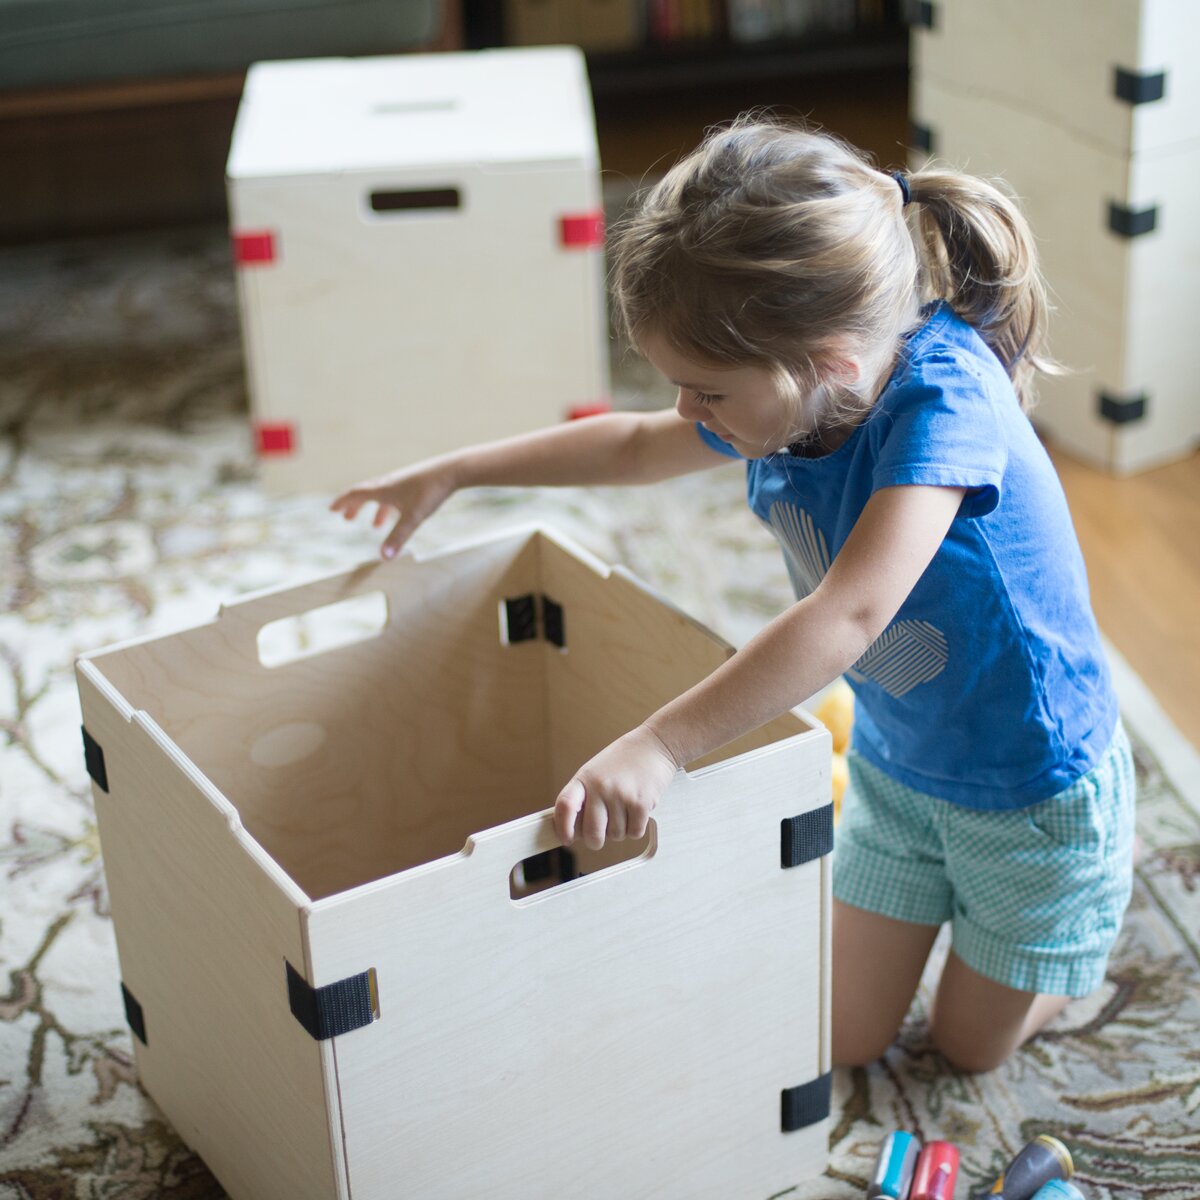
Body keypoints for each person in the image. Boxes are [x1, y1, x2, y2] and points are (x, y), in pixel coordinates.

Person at [331, 116, 1135, 1074]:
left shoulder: (945, 409)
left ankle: (1074, 939)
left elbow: (850, 614)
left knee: (965, 1050)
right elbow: (634, 446)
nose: (687, 414)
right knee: (846, 1035)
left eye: (705, 392)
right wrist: (459, 469)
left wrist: (662, 743)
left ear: (829, 361)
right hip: (901, 765)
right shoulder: (791, 395)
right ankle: (1005, 936)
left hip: (1029, 790)